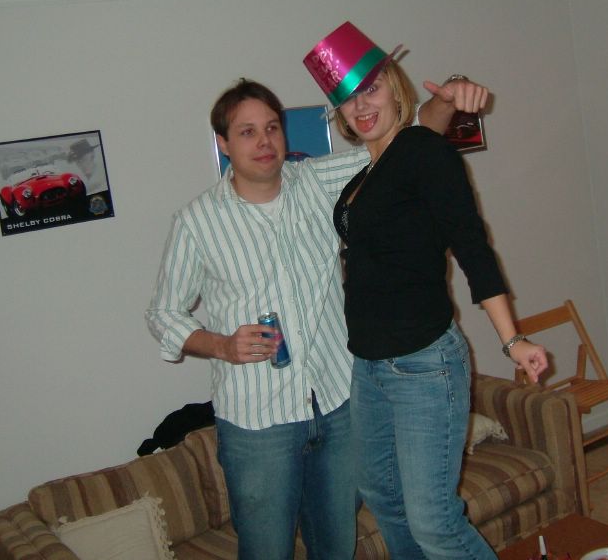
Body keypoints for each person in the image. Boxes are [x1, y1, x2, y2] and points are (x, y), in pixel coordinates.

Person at [145, 74, 489, 560]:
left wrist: (448, 97)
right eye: (247, 132)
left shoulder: (318, 182)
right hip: (257, 422)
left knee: (335, 548)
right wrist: (221, 345)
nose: (264, 142)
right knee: (266, 551)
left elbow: (406, 137)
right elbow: (162, 313)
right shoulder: (197, 222)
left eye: (272, 127)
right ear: (223, 143)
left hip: (338, 405)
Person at [303, 21, 548, 560]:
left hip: (423, 363)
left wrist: (512, 340)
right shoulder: (364, 173)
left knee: (434, 521)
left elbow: (473, 249)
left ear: (395, 87)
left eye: (371, 88)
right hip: (368, 366)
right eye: (348, 99)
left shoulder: (423, 152)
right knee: (383, 497)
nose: (361, 106)